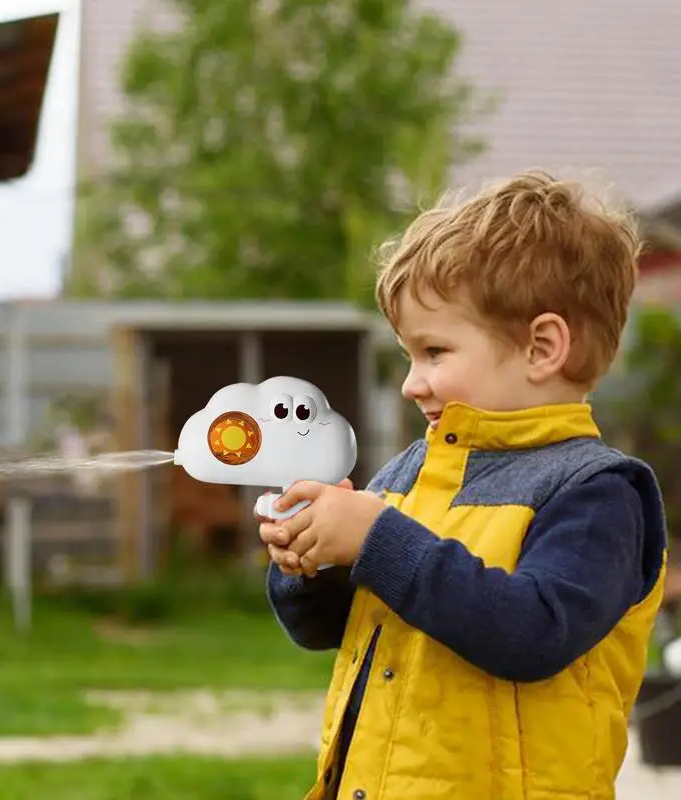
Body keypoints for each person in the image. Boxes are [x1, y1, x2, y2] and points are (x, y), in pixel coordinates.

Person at [258, 171, 668, 800]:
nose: (411, 382)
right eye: (408, 356)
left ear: (542, 347)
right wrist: (310, 561)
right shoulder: (407, 477)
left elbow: (532, 633)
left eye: (434, 352)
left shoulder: (596, 494)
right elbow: (326, 630)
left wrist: (374, 538)